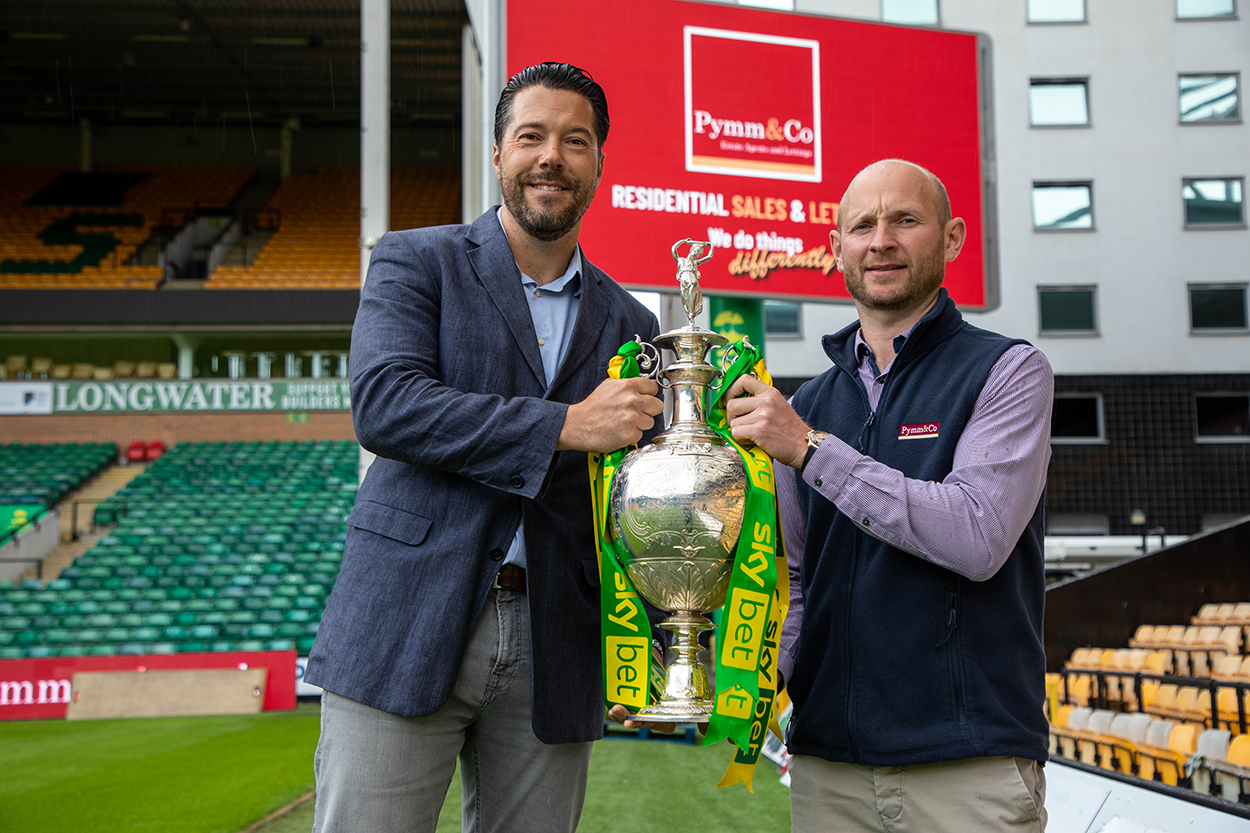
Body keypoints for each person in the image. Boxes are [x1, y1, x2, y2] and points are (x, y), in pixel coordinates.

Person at [305, 62, 665, 833]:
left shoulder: (635, 323)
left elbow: (634, 490)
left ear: (600, 164)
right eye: (531, 136)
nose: (552, 157)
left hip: (556, 641)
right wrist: (565, 424)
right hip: (405, 616)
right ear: (499, 154)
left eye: (576, 141)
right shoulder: (415, 260)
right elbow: (386, 405)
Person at [725, 159, 1053, 832]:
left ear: (952, 237)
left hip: (968, 763)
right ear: (837, 249)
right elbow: (797, 589)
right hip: (829, 767)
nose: (881, 241)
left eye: (905, 220)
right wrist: (721, 682)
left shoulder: (1007, 370)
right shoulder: (809, 404)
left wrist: (814, 450)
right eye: (861, 226)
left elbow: (978, 535)